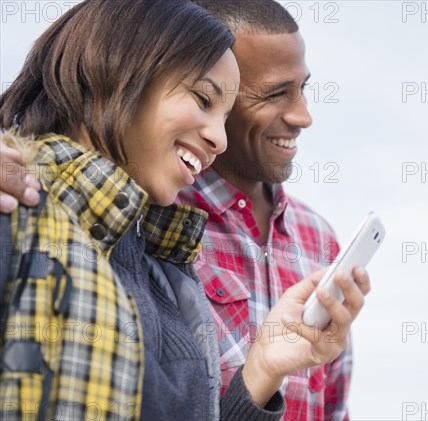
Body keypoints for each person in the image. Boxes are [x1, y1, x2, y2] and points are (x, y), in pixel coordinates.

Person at [0, 1, 370, 420]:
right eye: (203, 98)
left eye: (224, 113)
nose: (219, 138)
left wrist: (263, 368)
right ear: (120, 72)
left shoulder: (165, 271)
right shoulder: (17, 210)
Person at [176, 2, 354, 419]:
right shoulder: (154, 219)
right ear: (210, 96)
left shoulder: (319, 237)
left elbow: (333, 407)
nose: (303, 116)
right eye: (276, 93)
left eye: (301, 88)